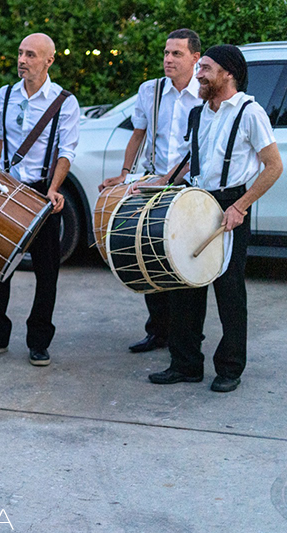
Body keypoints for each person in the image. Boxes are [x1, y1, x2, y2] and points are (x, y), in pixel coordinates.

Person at [146, 45, 282, 392]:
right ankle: (186, 364)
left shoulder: (250, 113)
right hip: (195, 202)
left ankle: (230, 368)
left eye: (206, 68)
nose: (200, 74)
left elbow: (273, 167)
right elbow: (193, 162)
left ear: (228, 72)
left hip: (231, 204)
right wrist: (160, 183)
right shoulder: (198, 112)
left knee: (228, 289)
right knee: (185, 283)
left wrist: (241, 206)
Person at [0, 33, 79, 367]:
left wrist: (55, 188)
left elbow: (67, 151)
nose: (22, 60)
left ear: (49, 61)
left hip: (42, 193)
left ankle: (39, 341)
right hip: (5, 190)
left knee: (47, 273)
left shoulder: (64, 101)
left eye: (30, 55)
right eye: (19, 53)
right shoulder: (6, 94)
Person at [99, 29, 202, 354]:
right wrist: (125, 175)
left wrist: (175, 179)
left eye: (177, 54)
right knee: (147, 255)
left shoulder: (206, 92)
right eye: (166, 53)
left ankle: (185, 337)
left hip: (189, 187)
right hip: (154, 181)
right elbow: (137, 135)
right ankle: (157, 332)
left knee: (181, 262)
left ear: (196, 58)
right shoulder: (150, 90)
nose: (168, 59)